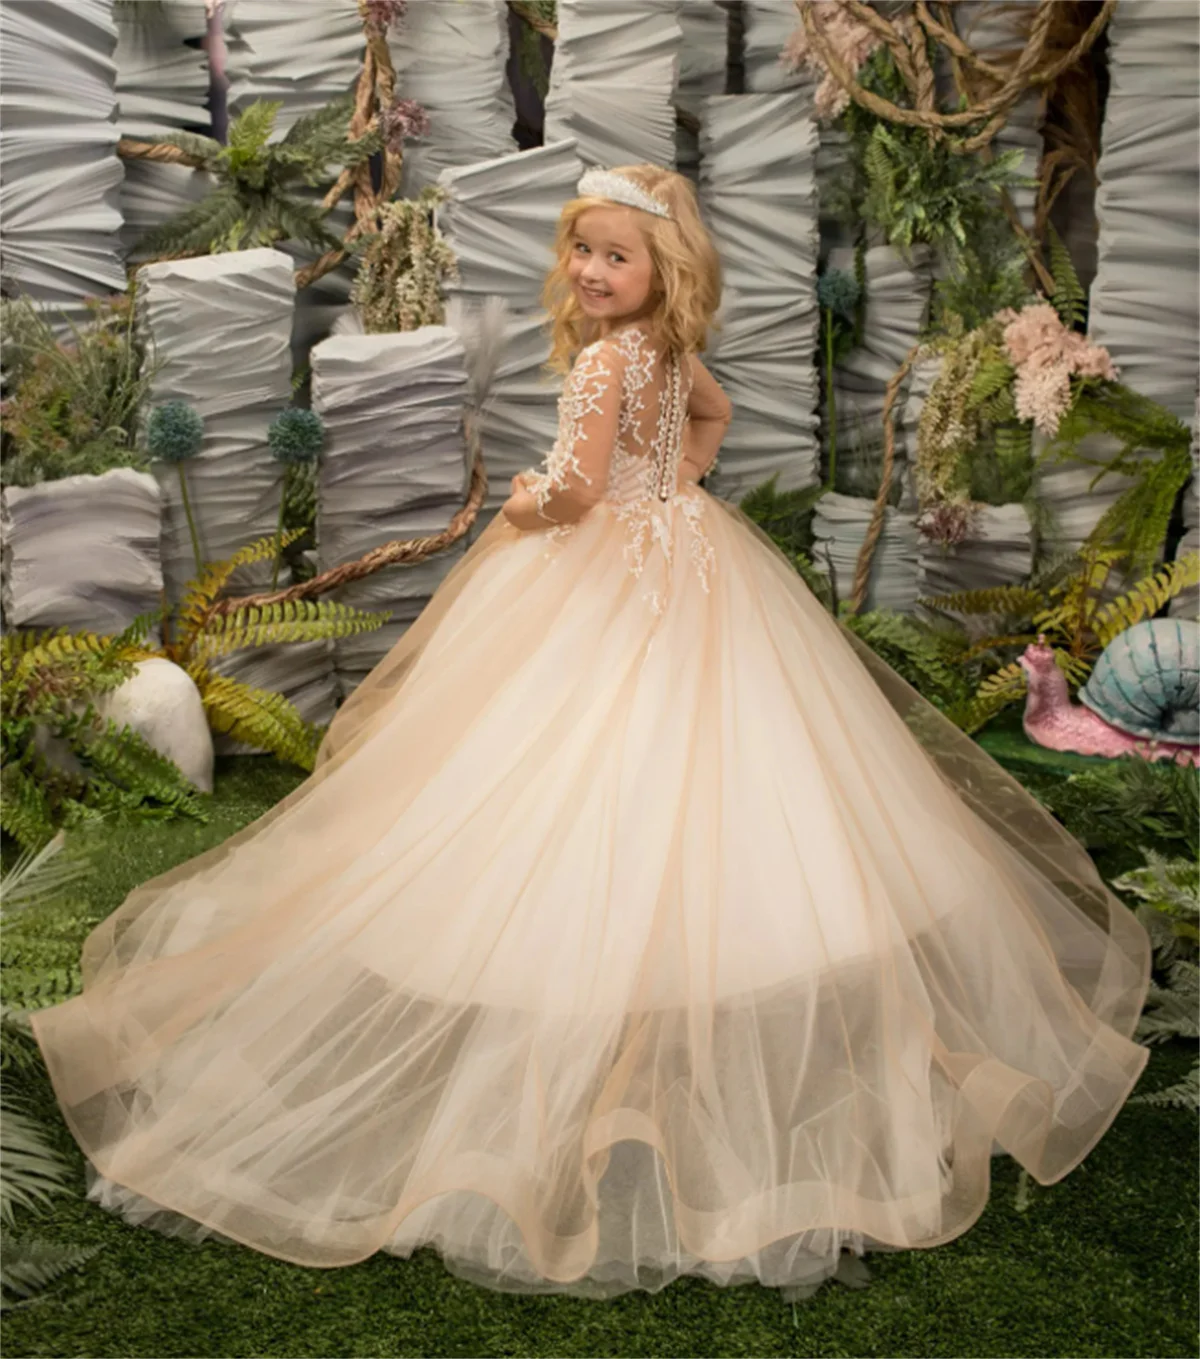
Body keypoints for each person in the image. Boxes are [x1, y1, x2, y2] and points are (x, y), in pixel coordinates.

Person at [30, 164, 1151, 1303]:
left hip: (609, 567)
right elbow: (708, 420)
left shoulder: (615, 359)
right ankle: (703, 962)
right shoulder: (665, 355)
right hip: (693, 561)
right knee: (715, 755)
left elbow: (569, 492)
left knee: (589, 753)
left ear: (665, 272)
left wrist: (525, 509)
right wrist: (675, 494)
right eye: (584, 251)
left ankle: (606, 976)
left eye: (619, 256)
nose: (594, 272)